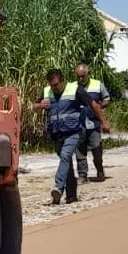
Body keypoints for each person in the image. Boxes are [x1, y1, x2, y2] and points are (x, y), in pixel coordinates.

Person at [36, 68, 87, 205]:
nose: (54, 88)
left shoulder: (75, 89)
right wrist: (40, 105)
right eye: (52, 85)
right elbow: (34, 106)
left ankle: (58, 187)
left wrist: (103, 121)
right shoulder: (47, 91)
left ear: (62, 81)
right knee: (67, 163)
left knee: (65, 156)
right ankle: (71, 196)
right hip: (56, 134)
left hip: (74, 132)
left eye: (56, 85)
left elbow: (92, 104)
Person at [71, 61, 111, 182]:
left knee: (96, 149)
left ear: (89, 73)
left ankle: (100, 170)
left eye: (83, 75)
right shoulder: (72, 87)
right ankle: (83, 176)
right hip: (78, 124)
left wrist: (100, 107)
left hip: (93, 123)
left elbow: (107, 98)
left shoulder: (98, 85)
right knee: (80, 151)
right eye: (78, 76)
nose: (81, 78)